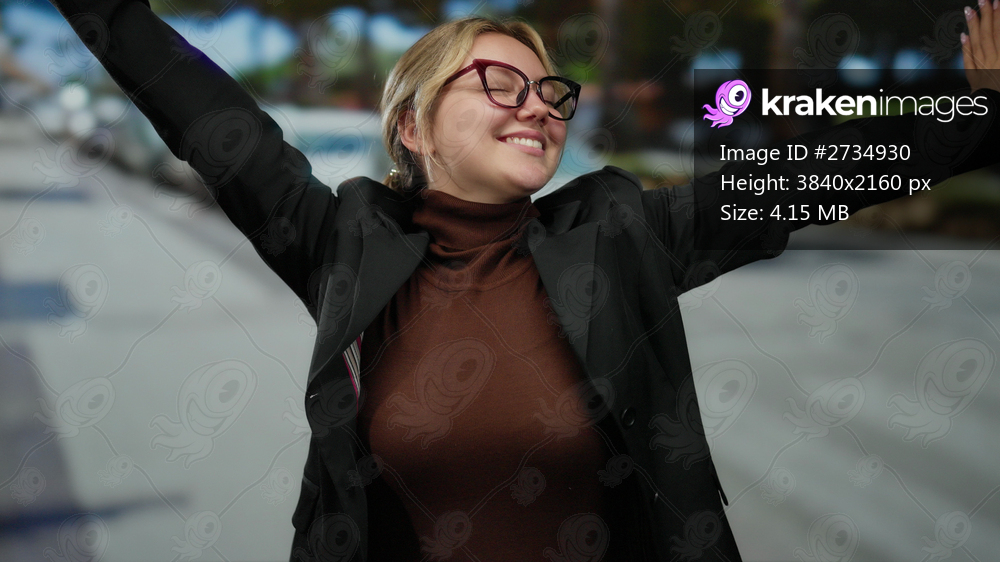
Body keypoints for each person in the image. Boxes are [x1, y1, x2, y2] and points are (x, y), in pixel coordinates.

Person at [46, 0, 1000, 560]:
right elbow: (204, 115)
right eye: (499, 84)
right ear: (412, 126)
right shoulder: (341, 240)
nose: (538, 106)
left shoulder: (619, 231)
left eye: (550, 92)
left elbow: (798, 180)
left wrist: (977, 110)